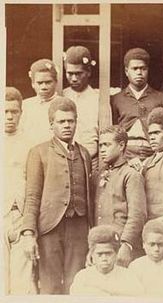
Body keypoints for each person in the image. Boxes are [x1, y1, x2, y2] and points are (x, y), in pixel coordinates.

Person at [21, 97, 93, 294]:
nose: (67, 125)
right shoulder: (38, 152)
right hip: (50, 228)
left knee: (77, 283)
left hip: (79, 227)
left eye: (71, 121)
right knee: (50, 286)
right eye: (61, 122)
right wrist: (29, 233)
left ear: (77, 122)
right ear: (51, 125)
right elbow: (32, 196)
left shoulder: (84, 153)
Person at [95, 125, 147, 266]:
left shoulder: (131, 175)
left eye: (107, 145)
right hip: (102, 247)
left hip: (121, 247)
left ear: (121, 145)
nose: (102, 150)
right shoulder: (99, 174)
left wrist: (126, 244)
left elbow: (137, 214)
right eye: (100, 146)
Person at [4, 87, 36, 294]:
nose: (9, 116)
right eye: (4, 111)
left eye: (14, 112)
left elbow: (34, 183)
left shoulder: (31, 143)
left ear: (21, 113)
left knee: (22, 281)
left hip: (21, 215)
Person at [110, 47, 163, 161]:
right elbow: (113, 131)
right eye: (135, 68)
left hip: (152, 155)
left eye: (143, 68)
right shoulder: (116, 99)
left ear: (148, 70)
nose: (139, 73)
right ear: (127, 71)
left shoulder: (160, 98)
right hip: (125, 155)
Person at [70, 225, 144, 296]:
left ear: (116, 254)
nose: (104, 258)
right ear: (92, 255)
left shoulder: (128, 276)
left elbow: (137, 296)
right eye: (99, 254)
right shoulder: (83, 277)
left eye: (108, 254)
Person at [63, 45, 99, 168]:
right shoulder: (61, 97)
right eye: (70, 73)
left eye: (78, 74)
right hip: (63, 162)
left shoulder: (98, 99)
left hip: (92, 162)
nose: (73, 78)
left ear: (88, 72)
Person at [129, 220, 163, 296]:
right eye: (152, 244)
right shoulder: (136, 266)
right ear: (144, 244)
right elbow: (133, 295)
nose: (156, 249)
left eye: (161, 244)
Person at [21, 58, 59, 146]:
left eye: (48, 82)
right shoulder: (25, 106)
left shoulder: (62, 104)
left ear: (56, 82)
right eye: (40, 83)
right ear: (33, 84)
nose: (44, 87)